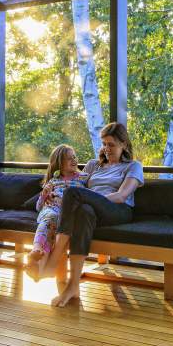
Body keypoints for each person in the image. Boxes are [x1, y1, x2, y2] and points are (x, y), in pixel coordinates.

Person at [46, 122, 144, 307]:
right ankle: (73, 287)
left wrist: (91, 198)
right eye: (104, 144)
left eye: (112, 144)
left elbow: (121, 196)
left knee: (76, 197)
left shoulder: (133, 166)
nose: (106, 149)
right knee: (84, 212)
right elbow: (75, 184)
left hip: (118, 210)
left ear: (124, 144)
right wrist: (51, 191)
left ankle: (54, 257)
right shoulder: (93, 165)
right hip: (92, 210)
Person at [28, 145, 88, 278]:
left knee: (51, 231)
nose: (74, 160)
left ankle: (39, 269)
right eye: (69, 158)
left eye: (74, 157)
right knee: (50, 221)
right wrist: (44, 194)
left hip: (67, 214)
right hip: (51, 211)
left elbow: (88, 197)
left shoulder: (83, 178)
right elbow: (38, 207)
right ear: (59, 163)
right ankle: (36, 250)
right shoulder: (53, 181)